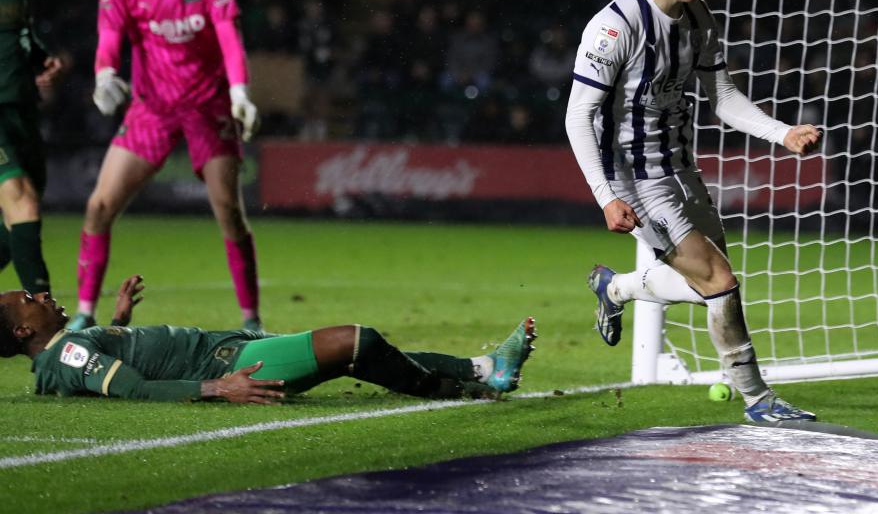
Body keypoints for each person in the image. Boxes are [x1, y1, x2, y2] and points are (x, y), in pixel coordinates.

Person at [564, 0, 823, 425]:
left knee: (712, 287)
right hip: (635, 180)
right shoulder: (615, 27)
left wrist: (782, 133)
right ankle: (758, 399)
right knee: (719, 280)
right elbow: (577, 116)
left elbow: (722, 96)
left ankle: (615, 288)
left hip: (682, 168)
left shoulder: (698, 17)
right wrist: (606, 197)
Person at [69, 0, 264, 332]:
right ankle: (83, 312)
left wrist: (239, 93)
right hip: (152, 110)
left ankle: (251, 319)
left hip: (208, 105)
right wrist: (104, 76)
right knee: (99, 206)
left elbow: (230, 38)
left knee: (229, 211)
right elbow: (109, 39)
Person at [0, 275, 536, 403]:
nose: (40, 294)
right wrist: (219, 387)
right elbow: (133, 387)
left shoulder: (68, 346)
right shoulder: (67, 353)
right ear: (23, 330)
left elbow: (98, 360)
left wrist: (119, 320)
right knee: (359, 342)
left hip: (229, 347)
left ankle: (483, 369)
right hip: (232, 363)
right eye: (28, 299)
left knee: (368, 357)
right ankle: (458, 387)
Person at [0, 0, 65, 297]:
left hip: (22, 111)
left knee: (20, 219)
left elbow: (22, 34)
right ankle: (44, 316)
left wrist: (43, 61)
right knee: (23, 203)